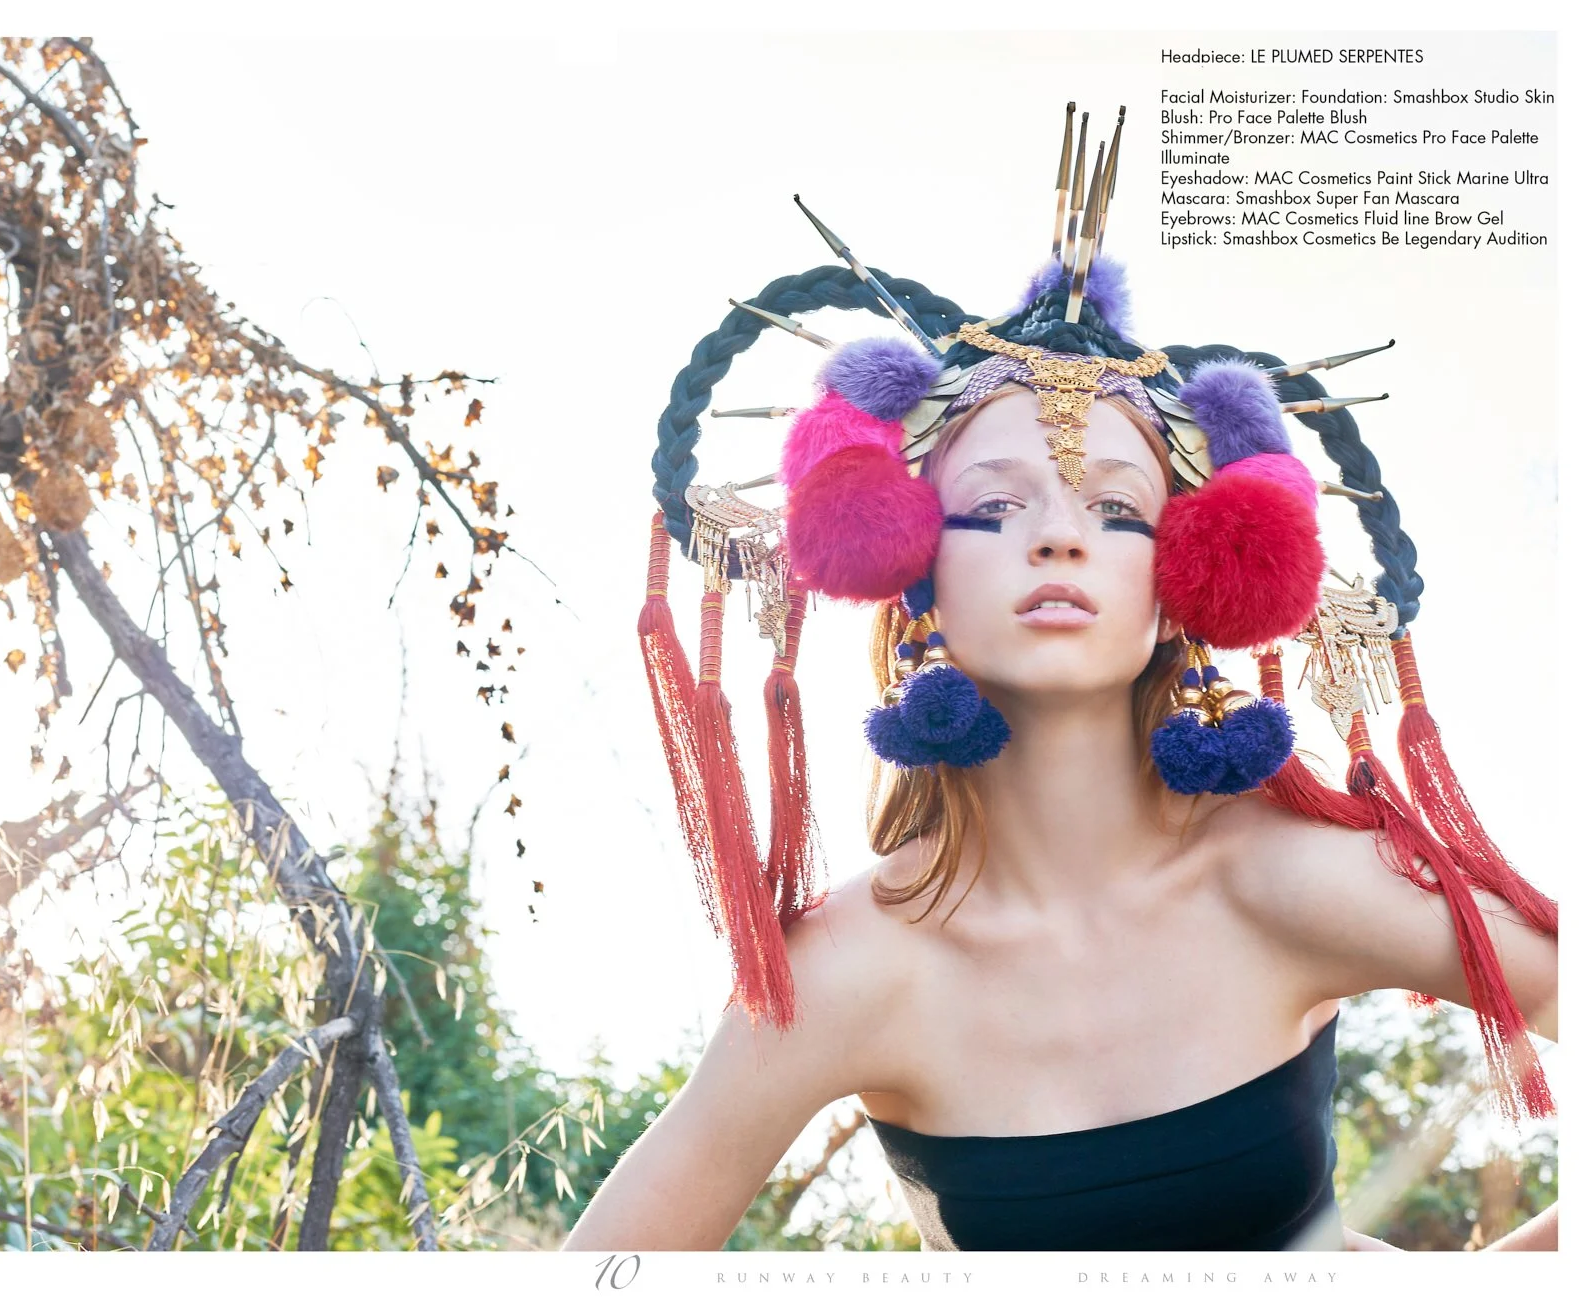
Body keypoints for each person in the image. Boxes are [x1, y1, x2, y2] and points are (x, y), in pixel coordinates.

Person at [573, 105, 1559, 1252]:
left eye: (1118, 511)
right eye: (993, 505)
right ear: (912, 562)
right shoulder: (849, 971)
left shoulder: (1287, 880)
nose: (1058, 537)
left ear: (1180, 579)